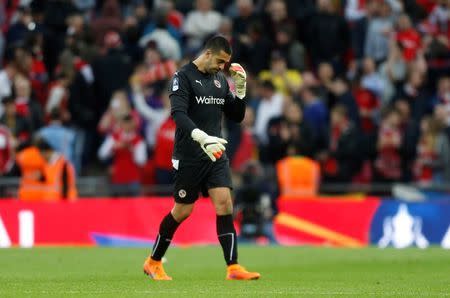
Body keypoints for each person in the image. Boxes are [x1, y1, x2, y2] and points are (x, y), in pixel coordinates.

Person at [142, 36, 260, 281]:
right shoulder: (182, 77)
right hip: (189, 155)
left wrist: (240, 90)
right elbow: (178, 114)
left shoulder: (219, 80)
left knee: (225, 203)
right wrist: (200, 137)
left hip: (215, 153)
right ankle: (153, 262)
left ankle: (233, 267)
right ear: (207, 54)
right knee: (183, 210)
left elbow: (236, 116)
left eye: (226, 63)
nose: (222, 67)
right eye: (220, 61)